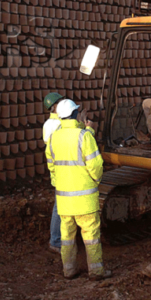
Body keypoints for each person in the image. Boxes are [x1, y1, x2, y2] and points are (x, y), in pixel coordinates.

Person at [46, 99, 111, 280]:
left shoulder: (53, 138)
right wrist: (95, 180)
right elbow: (96, 165)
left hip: (65, 201)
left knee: (67, 239)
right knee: (90, 237)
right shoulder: (84, 136)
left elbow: (52, 167)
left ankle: (69, 270)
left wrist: (61, 184)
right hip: (85, 200)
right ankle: (96, 271)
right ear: (75, 114)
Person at [42, 92, 64, 252]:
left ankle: (59, 239)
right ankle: (56, 241)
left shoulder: (50, 124)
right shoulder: (56, 125)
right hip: (64, 172)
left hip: (60, 171)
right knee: (60, 207)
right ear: (55, 107)